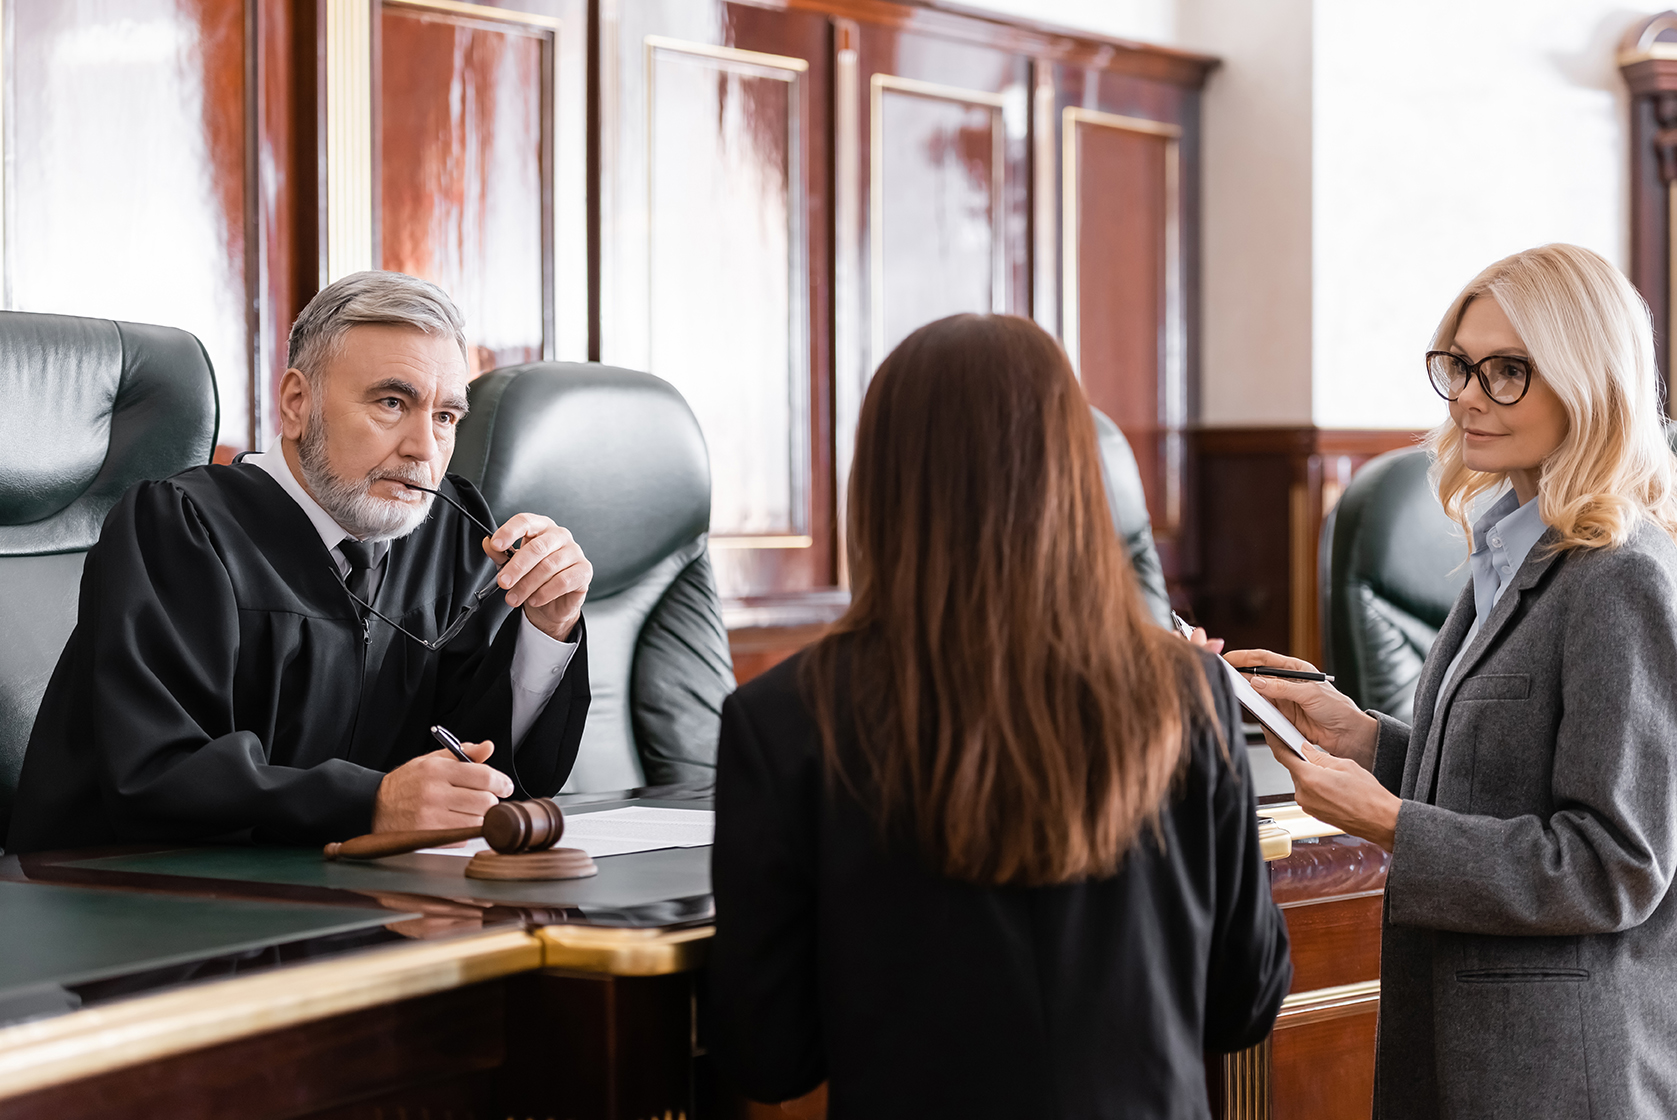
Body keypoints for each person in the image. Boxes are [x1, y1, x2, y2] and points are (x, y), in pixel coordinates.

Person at [710, 314, 1291, 1119]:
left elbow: (767, 1055)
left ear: (876, 483)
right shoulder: (1191, 695)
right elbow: (1244, 1003)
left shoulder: (780, 721)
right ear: (1073, 477)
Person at [1232, 244, 1677, 1119]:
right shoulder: (1510, 544)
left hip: (1557, 1075)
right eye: (1462, 366)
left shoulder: (1618, 577)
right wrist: (1364, 739)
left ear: (1590, 387)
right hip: (1464, 1046)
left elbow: (1612, 867)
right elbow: (1504, 780)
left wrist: (1384, 822)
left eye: (1508, 370)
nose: (1470, 394)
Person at [7, 271, 593, 854]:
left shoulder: (450, 534)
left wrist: (547, 626)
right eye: (392, 403)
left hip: (352, 899)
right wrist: (370, 804)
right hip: (138, 903)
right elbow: (157, 772)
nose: (424, 449)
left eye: (444, 417)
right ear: (297, 403)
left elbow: (475, 760)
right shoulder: (181, 529)